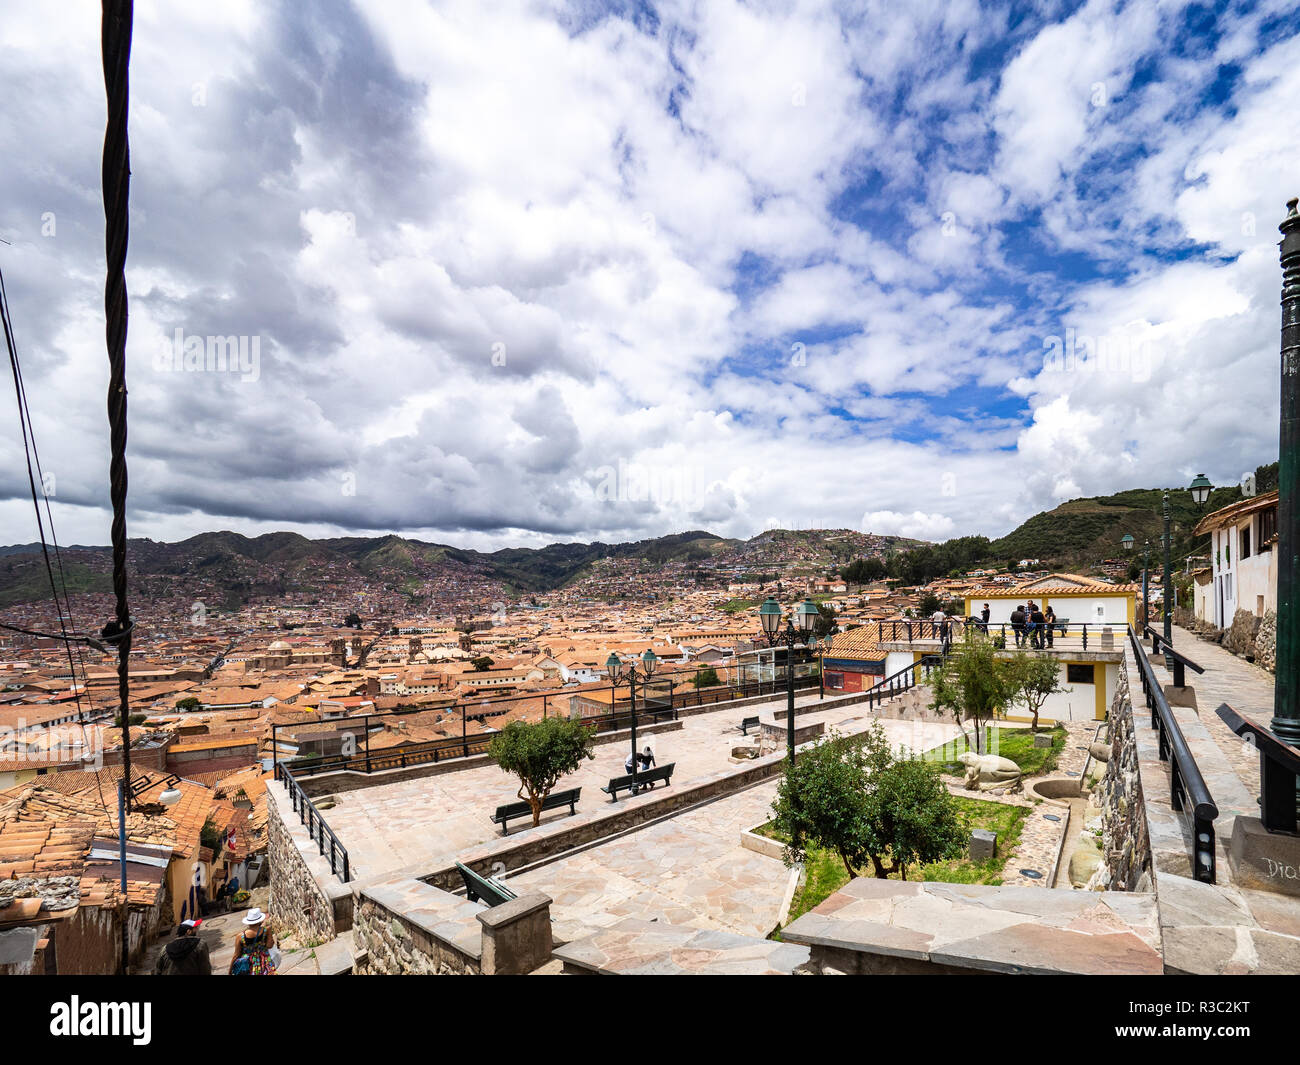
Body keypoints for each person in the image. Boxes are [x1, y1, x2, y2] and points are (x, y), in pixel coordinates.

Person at [229, 908, 278, 975]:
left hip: (249, 965)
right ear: (260, 920)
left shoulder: (240, 936)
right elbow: (269, 946)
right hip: (265, 963)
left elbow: (236, 955)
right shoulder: (265, 931)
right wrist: (269, 932)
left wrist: (230, 971)